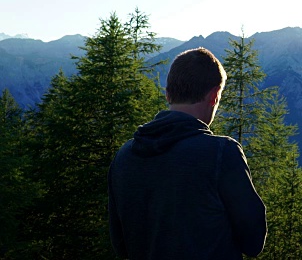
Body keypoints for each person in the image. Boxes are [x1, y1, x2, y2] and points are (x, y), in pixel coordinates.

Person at [108, 47, 267, 259]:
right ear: (214, 96)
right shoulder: (221, 153)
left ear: (168, 94)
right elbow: (253, 242)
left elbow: (121, 246)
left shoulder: (124, 156)